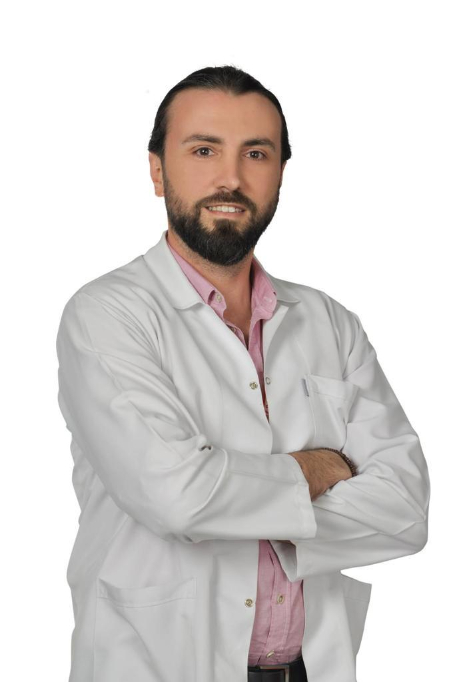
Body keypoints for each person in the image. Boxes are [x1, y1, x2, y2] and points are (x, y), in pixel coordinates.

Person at [56, 65, 430, 682]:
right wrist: (321, 469)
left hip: (308, 667)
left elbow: (406, 509)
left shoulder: (330, 322)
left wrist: (237, 504)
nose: (230, 178)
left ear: (281, 172)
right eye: (204, 150)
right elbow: (178, 497)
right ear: (157, 170)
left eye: (256, 153)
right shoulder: (106, 315)